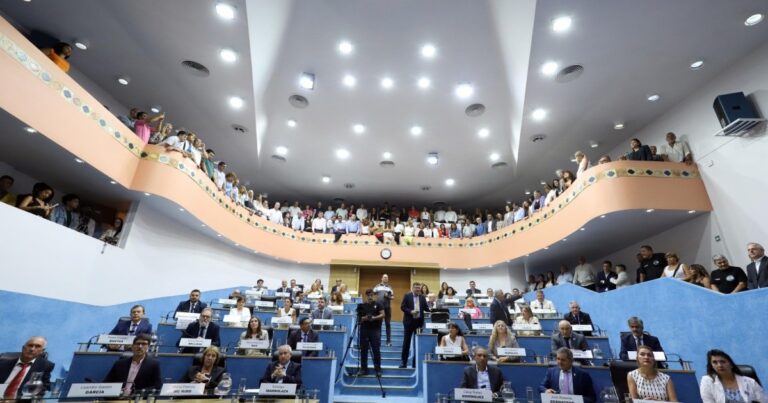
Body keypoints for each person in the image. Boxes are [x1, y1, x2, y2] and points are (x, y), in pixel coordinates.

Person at [699, 349, 766, 403]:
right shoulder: (707, 381)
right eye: (715, 362)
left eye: (723, 361)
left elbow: (764, 401)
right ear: (711, 366)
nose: (719, 365)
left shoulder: (750, 382)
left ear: (731, 364)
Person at [399, 282, 429, 368]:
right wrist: (410, 311)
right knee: (406, 343)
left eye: (419, 288)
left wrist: (433, 309)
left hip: (419, 323)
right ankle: (403, 362)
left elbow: (426, 308)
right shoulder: (407, 296)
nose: (418, 289)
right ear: (413, 288)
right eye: (416, 288)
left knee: (417, 344)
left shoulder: (423, 298)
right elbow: (402, 307)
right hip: (408, 322)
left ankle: (415, 364)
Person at [358, 288, 385, 376]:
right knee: (363, 350)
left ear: (374, 295)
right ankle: (363, 369)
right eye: (368, 295)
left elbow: (383, 314)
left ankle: (378, 369)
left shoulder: (378, 304)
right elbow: (359, 318)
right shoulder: (361, 305)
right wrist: (365, 318)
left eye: (371, 295)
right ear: (366, 295)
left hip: (375, 329)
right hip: (364, 329)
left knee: (376, 349)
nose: (370, 296)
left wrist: (374, 318)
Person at [374, 274, 395, 347]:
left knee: (388, 324)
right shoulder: (377, 286)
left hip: (387, 307)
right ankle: (378, 341)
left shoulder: (389, 287)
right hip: (379, 308)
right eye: (384, 277)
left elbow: (393, 297)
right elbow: (373, 293)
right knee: (378, 324)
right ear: (381, 278)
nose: (386, 278)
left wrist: (388, 296)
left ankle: (388, 341)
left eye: (387, 277)